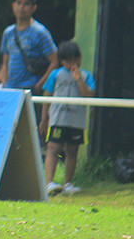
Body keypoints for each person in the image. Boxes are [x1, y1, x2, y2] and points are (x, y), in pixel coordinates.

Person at [39, 41, 96, 196]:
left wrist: (79, 79)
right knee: (53, 149)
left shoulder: (86, 75)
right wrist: (44, 119)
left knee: (72, 150)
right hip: (58, 119)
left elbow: (89, 95)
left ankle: (68, 184)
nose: (72, 63)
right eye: (67, 60)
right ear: (62, 61)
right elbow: (47, 96)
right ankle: (49, 183)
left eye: (75, 59)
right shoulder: (55, 74)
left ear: (80, 58)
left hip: (76, 121)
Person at [0, 0, 57, 94]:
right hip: (10, 90)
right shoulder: (8, 32)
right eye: (19, 3)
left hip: (29, 89)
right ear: (13, 6)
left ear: (33, 8)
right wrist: (4, 85)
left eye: (26, 4)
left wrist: (39, 85)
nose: (21, 7)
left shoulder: (40, 32)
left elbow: (55, 60)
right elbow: (5, 62)